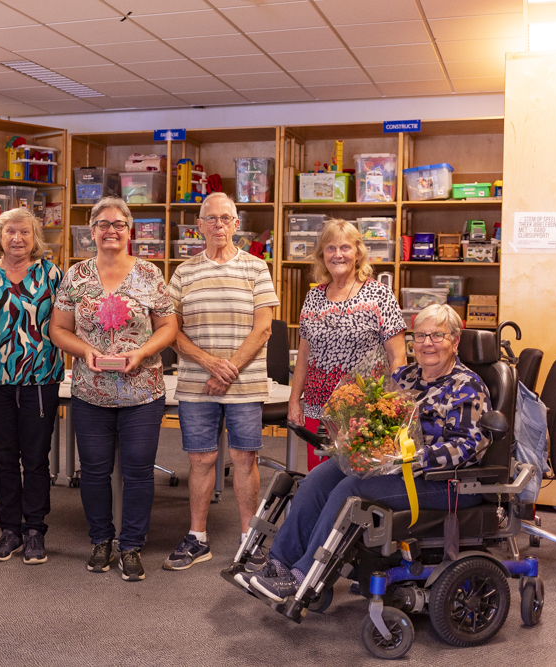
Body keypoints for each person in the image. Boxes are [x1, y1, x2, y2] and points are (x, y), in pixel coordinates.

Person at [246, 304, 492, 600]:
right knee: (321, 476)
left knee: (352, 489)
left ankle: (304, 578)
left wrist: (411, 458)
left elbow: (469, 447)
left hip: (442, 481)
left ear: (455, 340)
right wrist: (357, 436)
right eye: (421, 335)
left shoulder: (467, 387)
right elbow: (380, 418)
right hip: (393, 467)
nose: (427, 343)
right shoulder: (407, 376)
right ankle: (279, 565)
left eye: (437, 335)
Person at [49, 197, 178, 582]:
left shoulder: (151, 274)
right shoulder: (76, 276)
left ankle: (132, 546)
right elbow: (58, 329)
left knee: (138, 472)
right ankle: (101, 540)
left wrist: (142, 352)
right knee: (93, 471)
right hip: (91, 392)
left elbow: (168, 327)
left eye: (119, 224)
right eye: (103, 224)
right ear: (92, 231)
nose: (111, 230)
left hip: (142, 392)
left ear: (130, 230)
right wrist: (84, 349)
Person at [164, 192, 279, 571]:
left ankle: (250, 538)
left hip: (244, 383)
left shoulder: (256, 268)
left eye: (225, 218)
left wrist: (228, 368)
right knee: (200, 460)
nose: (218, 224)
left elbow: (263, 328)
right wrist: (209, 363)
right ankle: (197, 538)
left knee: (244, 458)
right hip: (197, 383)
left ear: (236, 224)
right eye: (210, 218)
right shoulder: (183, 272)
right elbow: (170, 330)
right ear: (199, 226)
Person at [0, 208, 64, 565]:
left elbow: (66, 322)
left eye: (24, 232)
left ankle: (35, 530)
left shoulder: (52, 274)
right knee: (4, 458)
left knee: (37, 457)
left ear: (34, 236)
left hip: (40, 377)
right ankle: (9, 529)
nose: (17, 239)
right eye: (10, 232)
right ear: (0, 235)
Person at [287, 218, 406, 470]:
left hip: (364, 408)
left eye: (345, 248)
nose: (337, 255)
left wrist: (392, 407)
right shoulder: (313, 297)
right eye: (330, 248)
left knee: (359, 478)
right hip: (317, 407)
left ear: (358, 253)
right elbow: (304, 355)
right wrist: (294, 400)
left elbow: (398, 358)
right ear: (322, 254)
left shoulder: (379, 295)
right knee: (318, 476)